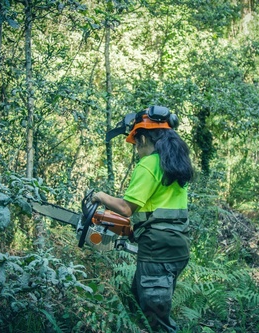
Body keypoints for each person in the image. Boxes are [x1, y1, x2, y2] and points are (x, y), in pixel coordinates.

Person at [91, 106, 194, 332]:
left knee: (157, 321)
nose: (137, 150)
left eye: (136, 144)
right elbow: (157, 208)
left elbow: (126, 208)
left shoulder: (150, 164)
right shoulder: (175, 164)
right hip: (177, 248)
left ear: (144, 138)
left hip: (158, 250)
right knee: (139, 298)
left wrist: (100, 196)